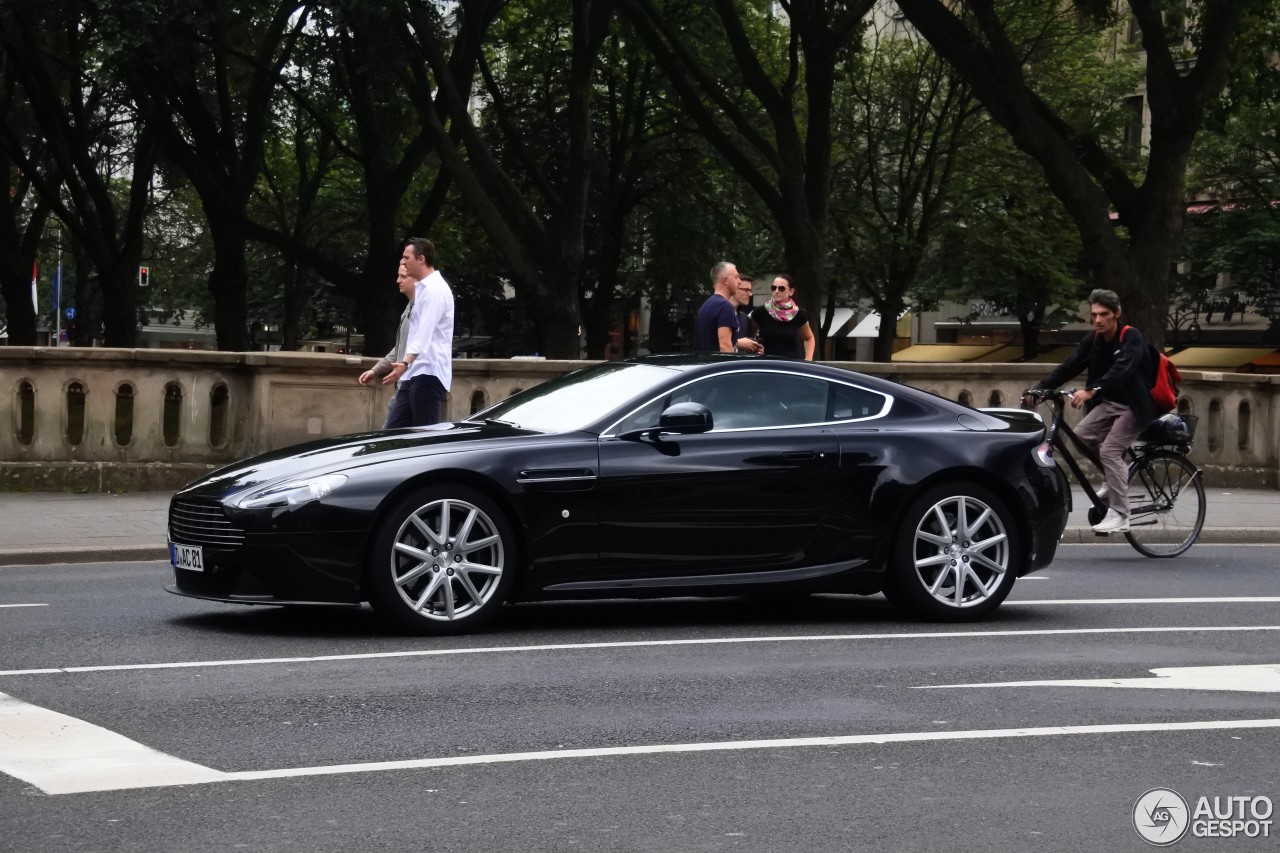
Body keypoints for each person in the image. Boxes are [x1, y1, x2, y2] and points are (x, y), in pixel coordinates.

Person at [1029, 288, 1158, 533]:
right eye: (1094, 314)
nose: (1098, 320)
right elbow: (1070, 365)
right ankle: (1114, 477)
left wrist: (1092, 390)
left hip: (1135, 405)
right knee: (1081, 437)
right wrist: (1041, 388)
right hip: (1110, 403)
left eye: (1104, 314)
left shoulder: (1131, 337)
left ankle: (1121, 514)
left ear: (1117, 314)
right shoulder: (1095, 339)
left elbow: (1123, 368)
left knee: (1110, 450)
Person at [382, 238, 455, 427]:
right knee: (392, 435)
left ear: (421, 259)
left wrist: (405, 363)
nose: (403, 262)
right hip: (413, 374)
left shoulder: (436, 290)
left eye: (406, 257)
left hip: (428, 374)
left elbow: (424, 333)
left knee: (424, 439)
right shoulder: (423, 290)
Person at [359, 263, 417, 428]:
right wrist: (375, 370)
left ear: (416, 279)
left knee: (390, 438)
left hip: (413, 385)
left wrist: (404, 365)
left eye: (403, 277)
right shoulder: (409, 307)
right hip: (405, 386)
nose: (398, 281)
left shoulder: (421, 308)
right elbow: (399, 348)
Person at [693, 262, 764, 354]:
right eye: (736, 277)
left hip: (704, 364)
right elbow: (725, 347)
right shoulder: (725, 307)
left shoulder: (705, 306)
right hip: (718, 366)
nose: (739, 281)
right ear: (725, 280)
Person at [749, 274, 815, 360]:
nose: (776, 291)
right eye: (774, 288)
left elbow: (809, 338)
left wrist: (808, 360)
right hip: (767, 363)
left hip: (792, 363)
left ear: (791, 291)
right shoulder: (760, 312)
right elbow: (749, 336)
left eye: (781, 288)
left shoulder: (798, 314)